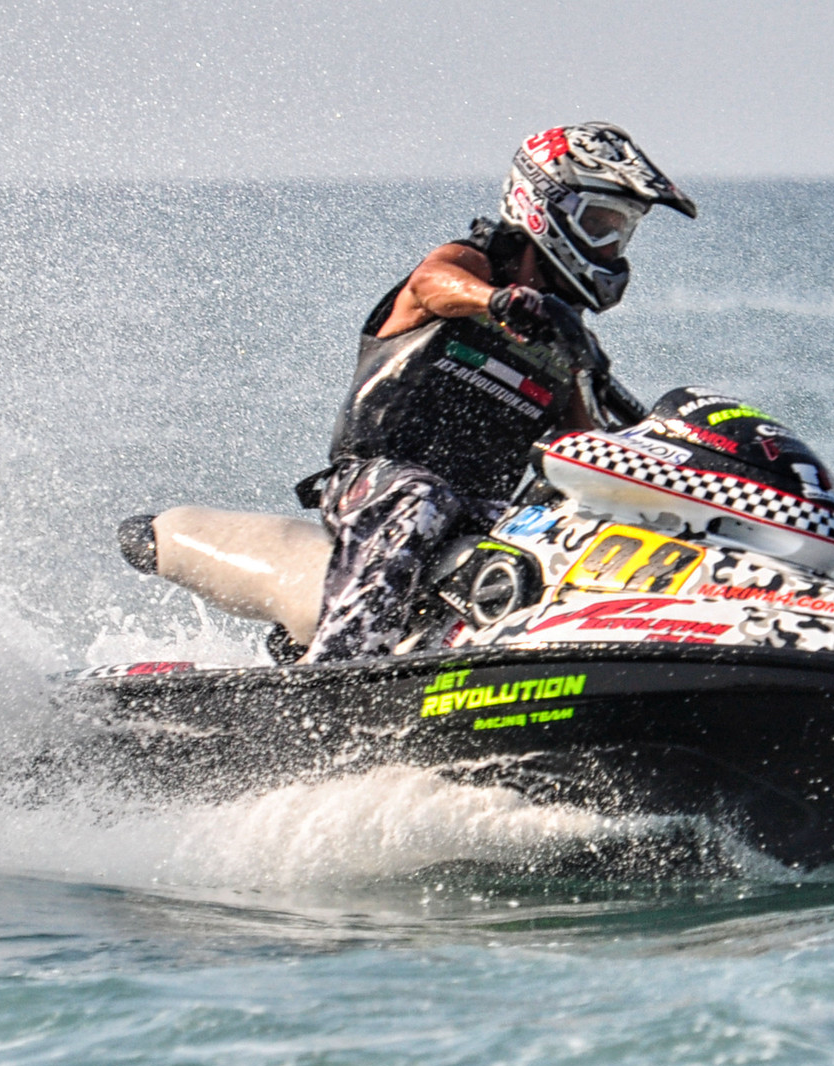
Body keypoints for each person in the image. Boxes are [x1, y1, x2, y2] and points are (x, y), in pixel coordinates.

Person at [297, 122, 696, 662]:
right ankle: (338, 667)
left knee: (567, 540)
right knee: (420, 494)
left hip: (481, 508)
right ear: (544, 205)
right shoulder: (470, 266)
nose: (610, 245)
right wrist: (500, 301)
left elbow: (583, 445)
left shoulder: (568, 343)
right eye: (599, 224)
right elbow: (431, 285)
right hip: (374, 482)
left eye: (620, 231)